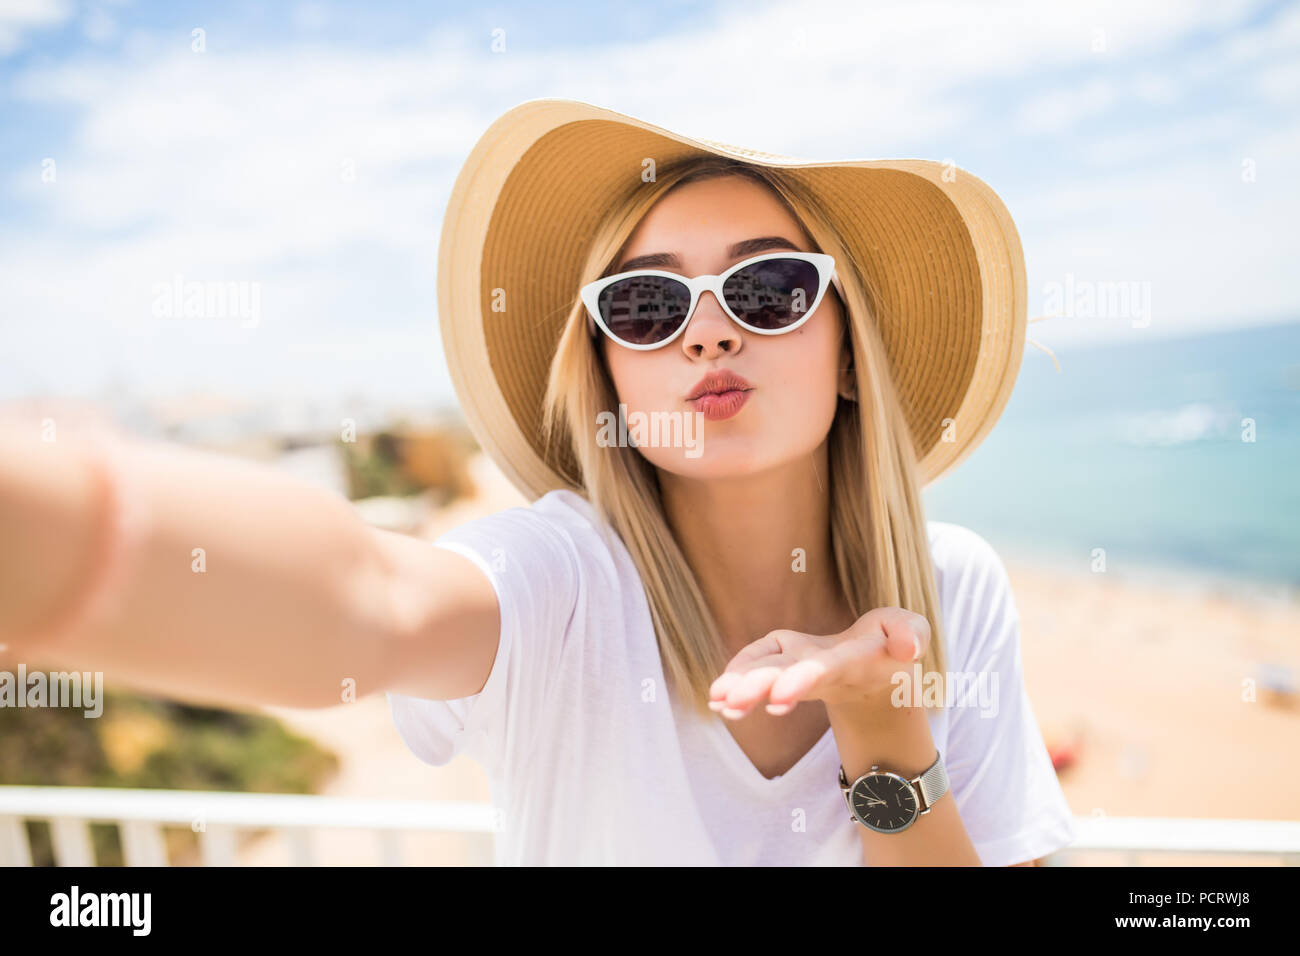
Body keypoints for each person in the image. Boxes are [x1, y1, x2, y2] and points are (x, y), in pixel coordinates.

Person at [0, 99, 1076, 867]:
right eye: (648, 305)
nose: (707, 330)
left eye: (769, 287)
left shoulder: (950, 587)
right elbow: (368, 600)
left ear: (848, 354)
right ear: (605, 365)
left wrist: (882, 724)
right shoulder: (561, 579)